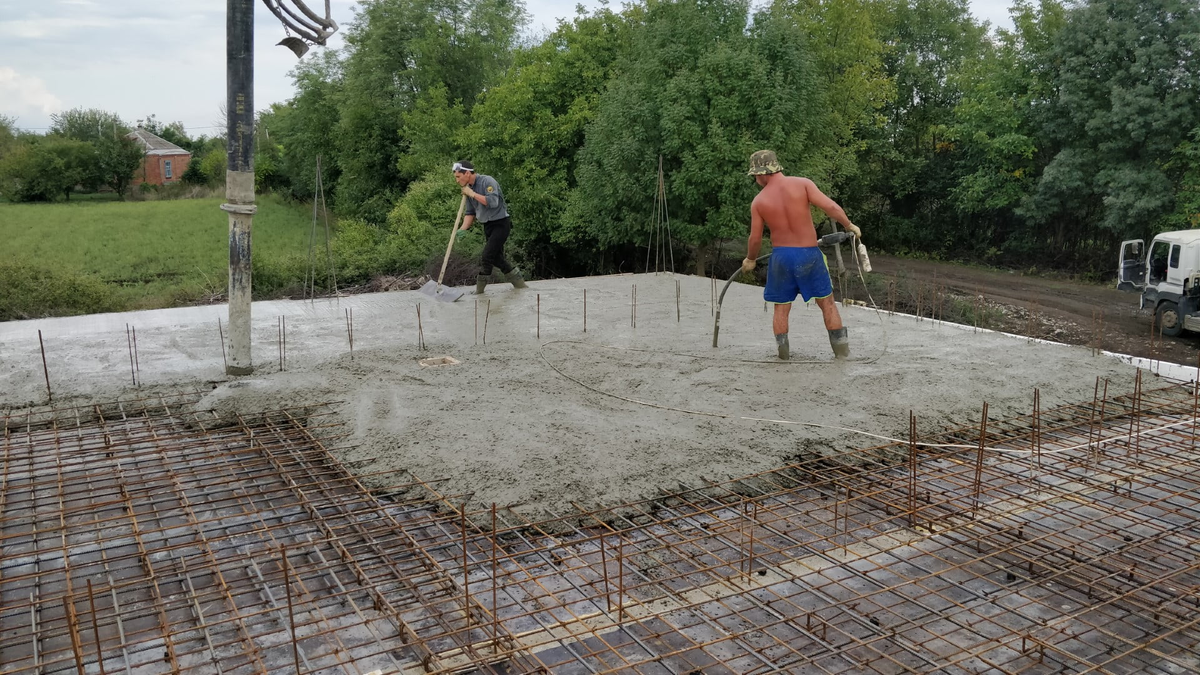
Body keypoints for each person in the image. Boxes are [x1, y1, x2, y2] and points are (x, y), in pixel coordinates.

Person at [740, 150, 862, 361]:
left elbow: (755, 239)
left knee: (781, 308)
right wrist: (849, 225)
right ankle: (842, 355)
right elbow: (830, 207)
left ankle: (783, 357)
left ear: (761, 174)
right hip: (809, 255)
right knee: (828, 303)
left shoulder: (759, 202)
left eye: (755, 177)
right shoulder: (803, 184)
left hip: (781, 258)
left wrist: (751, 259)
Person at [452, 161, 527, 294]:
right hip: (488, 226)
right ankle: (520, 285)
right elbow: (470, 213)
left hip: (501, 224)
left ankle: (479, 292)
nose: (457, 181)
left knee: (486, 256)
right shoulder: (468, 189)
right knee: (497, 259)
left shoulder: (487, 181)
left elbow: (492, 202)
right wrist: (462, 229)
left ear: (467, 173)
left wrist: (472, 194)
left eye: (458, 177)